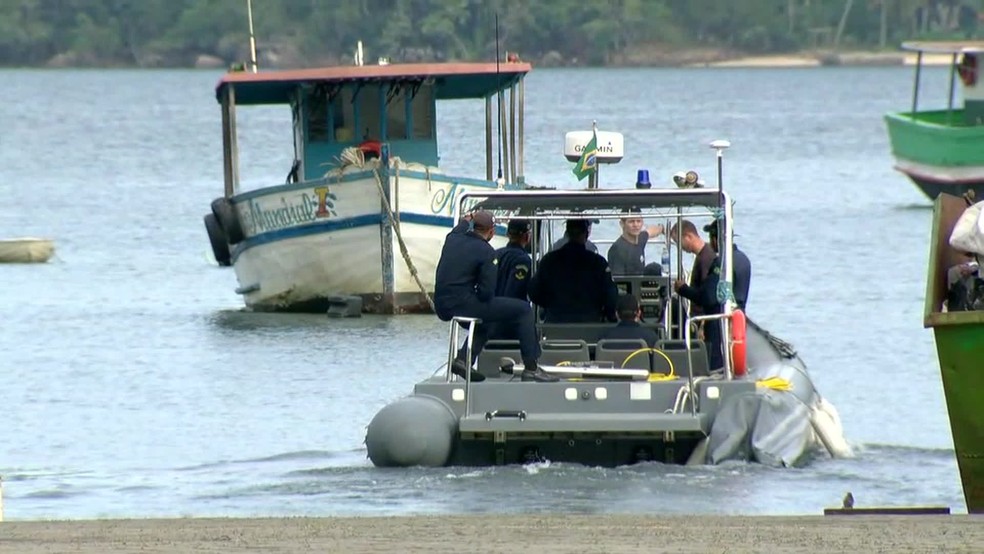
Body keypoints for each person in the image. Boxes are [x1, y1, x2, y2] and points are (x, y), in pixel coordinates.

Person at [434, 210, 556, 382]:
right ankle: (532, 368)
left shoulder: (452, 238)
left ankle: (462, 360)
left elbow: (460, 227)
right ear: (491, 232)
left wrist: (466, 219)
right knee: (523, 310)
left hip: (441, 305)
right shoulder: (486, 251)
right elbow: (486, 293)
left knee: (487, 321)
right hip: (462, 304)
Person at [529, 219, 619, 323]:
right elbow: (610, 296)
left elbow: (534, 291)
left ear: (567, 233)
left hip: (555, 324)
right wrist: (609, 316)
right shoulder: (598, 263)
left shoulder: (548, 261)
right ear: (586, 234)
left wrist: (550, 305)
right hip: (591, 324)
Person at [669, 219, 716, 316]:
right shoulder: (702, 255)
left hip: (702, 316)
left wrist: (683, 289)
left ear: (688, 237)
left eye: (678, 242)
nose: (679, 247)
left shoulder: (705, 259)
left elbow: (706, 295)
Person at [703, 222, 751, 312]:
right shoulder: (744, 259)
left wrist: (684, 290)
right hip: (739, 315)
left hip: (721, 317)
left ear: (715, 239)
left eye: (710, 238)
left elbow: (709, 296)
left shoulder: (721, 262)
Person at [607, 211, 665, 275]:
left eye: (638, 221)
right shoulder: (617, 249)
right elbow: (617, 280)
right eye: (631, 221)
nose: (635, 225)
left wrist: (663, 228)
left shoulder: (640, 239)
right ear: (622, 224)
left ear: (642, 222)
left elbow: (652, 231)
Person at [494, 219, 533, 301]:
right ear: (526, 236)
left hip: (491, 306)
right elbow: (514, 290)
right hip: (511, 309)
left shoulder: (496, 254)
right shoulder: (523, 260)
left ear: (507, 234)